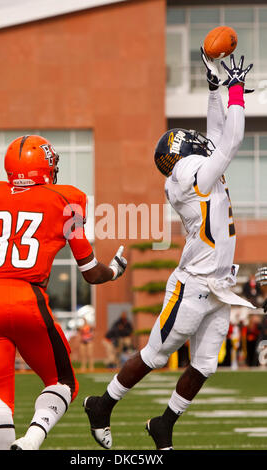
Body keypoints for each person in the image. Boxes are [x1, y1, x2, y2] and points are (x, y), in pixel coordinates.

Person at [83, 50, 256, 450]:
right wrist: (235, 91)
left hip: (219, 285)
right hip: (193, 284)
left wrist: (214, 82)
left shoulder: (196, 167)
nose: (201, 141)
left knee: (206, 364)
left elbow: (216, 133)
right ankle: (103, 405)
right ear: (182, 154)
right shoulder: (189, 173)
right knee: (155, 354)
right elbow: (230, 139)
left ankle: (164, 423)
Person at [0, 135, 127, 450]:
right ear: (46, 167)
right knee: (63, 382)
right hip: (27, 297)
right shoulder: (64, 200)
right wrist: (114, 271)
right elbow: (90, 271)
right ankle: (30, 441)